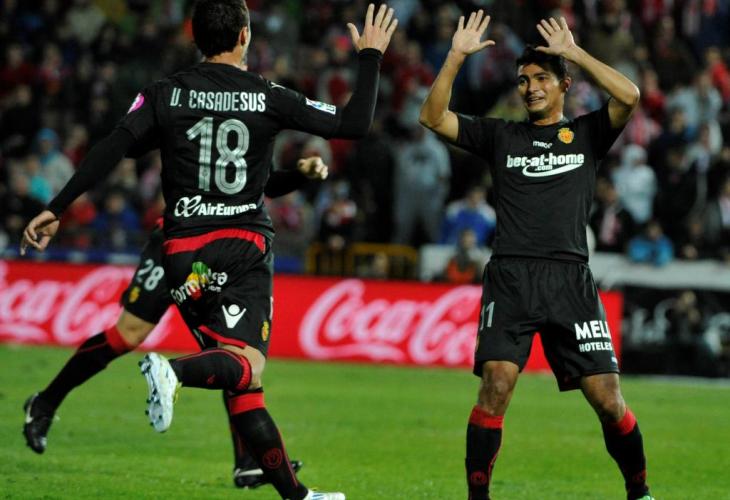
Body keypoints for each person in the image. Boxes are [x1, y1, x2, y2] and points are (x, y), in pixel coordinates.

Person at [21, 2, 397, 499]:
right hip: (234, 245)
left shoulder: (165, 93)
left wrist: (58, 206)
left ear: (194, 37)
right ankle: (56, 400)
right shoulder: (267, 95)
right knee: (196, 348)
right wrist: (370, 56)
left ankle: (258, 469)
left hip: (180, 246)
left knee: (224, 354)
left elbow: (117, 147)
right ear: (244, 35)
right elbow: (353, 122)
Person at [419, 11, 654, 500]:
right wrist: (456, 57)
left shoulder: (587, 134)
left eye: (542, 78)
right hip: (511, 278)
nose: (530, 88)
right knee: (496, 386)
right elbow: (433, 117)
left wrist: (573, 52)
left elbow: (629, 96)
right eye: (523, 80)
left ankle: (639, 492)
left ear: (564, 84)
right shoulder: (502, 137)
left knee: (608, 400)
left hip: (571, 280)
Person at [22, 157, 328, 490]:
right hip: (176, 240)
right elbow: (127, 145)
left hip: (226, 245)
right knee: (128, 334)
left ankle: (248, 462)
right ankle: (45, 402)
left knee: (230, 352)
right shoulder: (188, 126)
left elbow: (264, 181)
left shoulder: (248, 130)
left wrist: (299, 174)